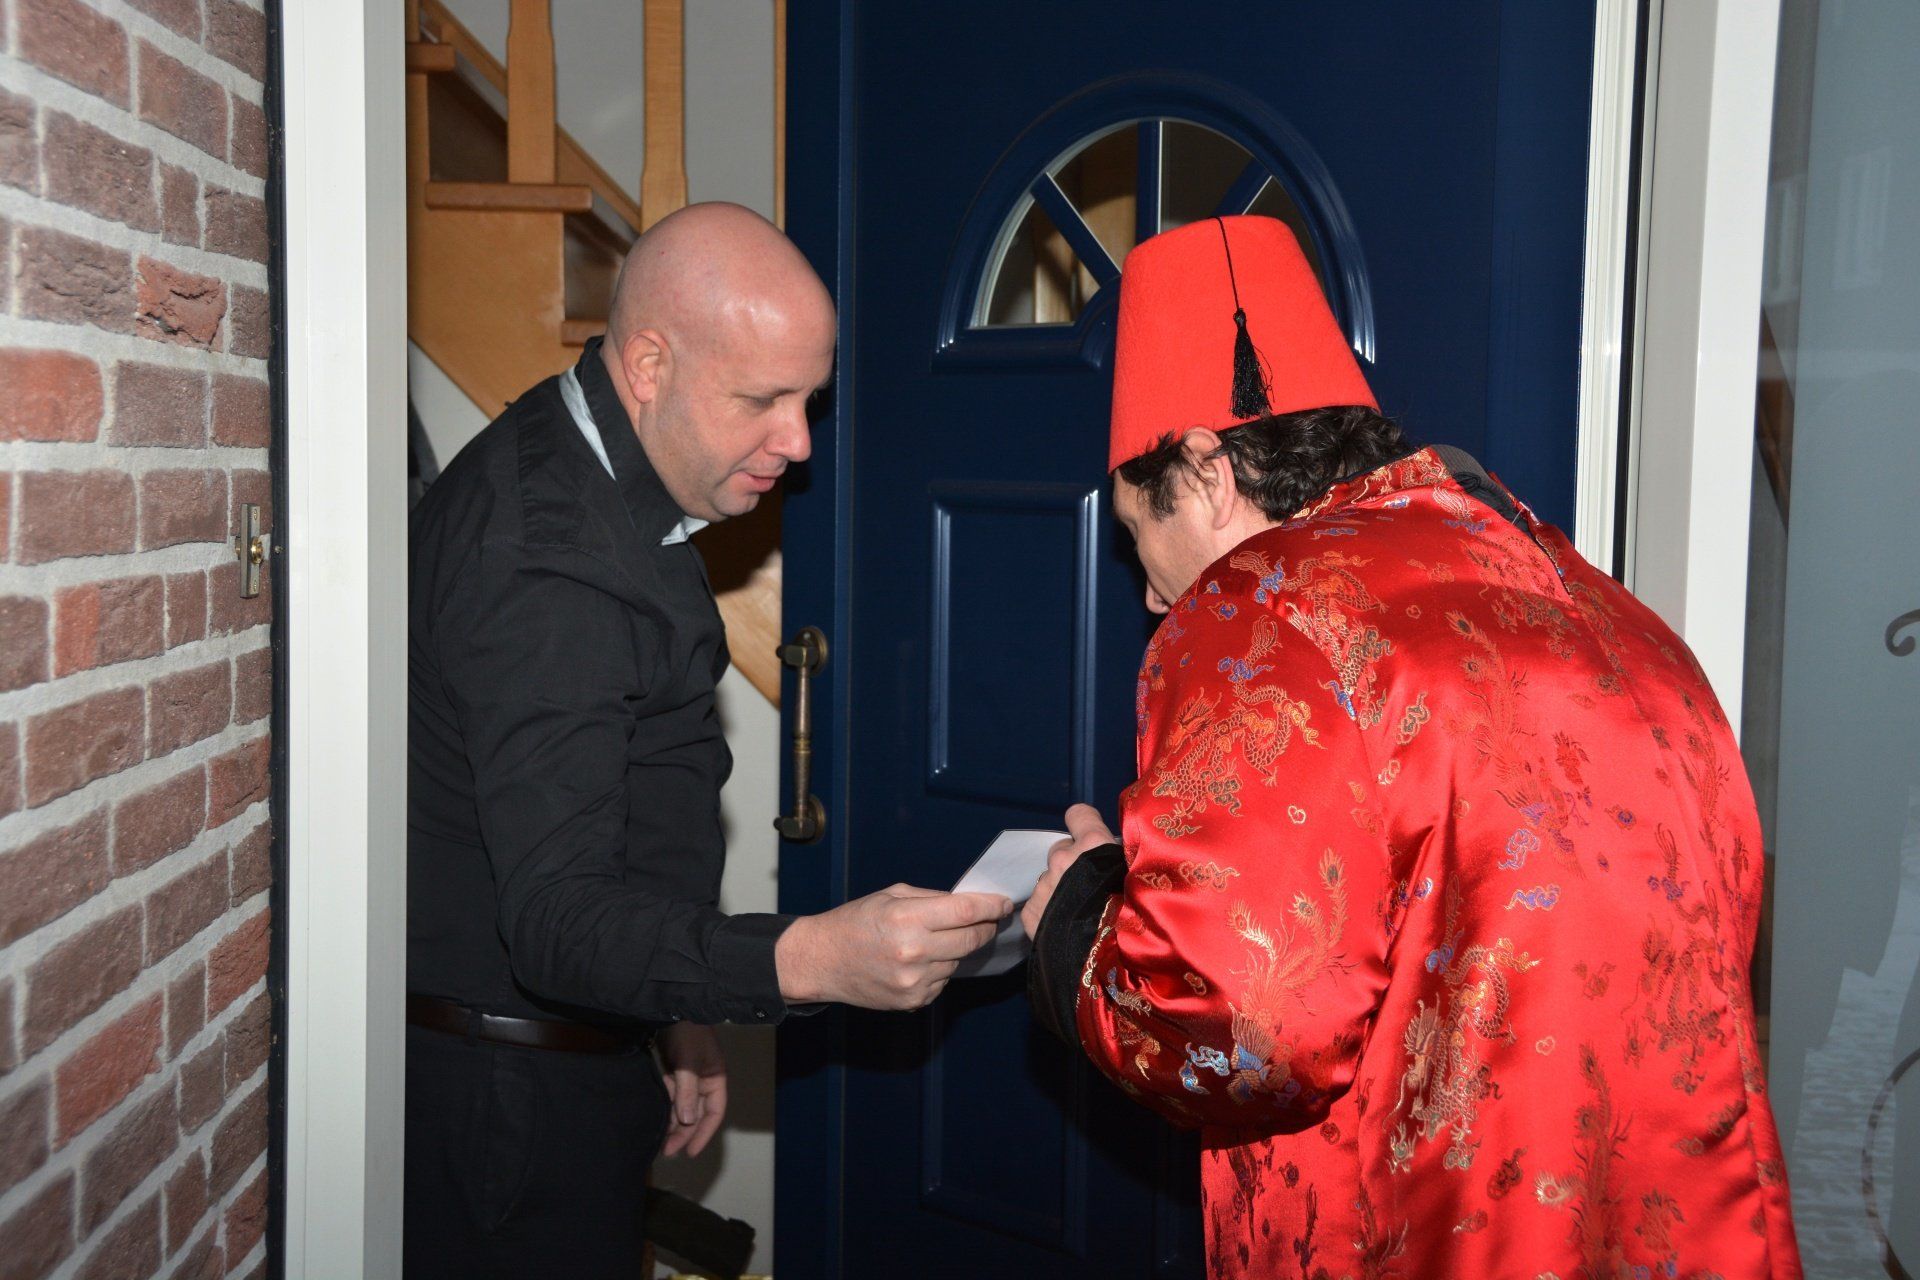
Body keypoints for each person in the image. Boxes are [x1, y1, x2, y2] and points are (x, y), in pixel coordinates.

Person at [1022, 215, 1803, 1278]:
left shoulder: (1261, 607)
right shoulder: (1614, 616)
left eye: (1137, 532)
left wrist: (1080, 920)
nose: (1153, 593)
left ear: (1204, 471)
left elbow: (1246, 1022)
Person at [405, 202, 1011, 1278]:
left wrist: (676, 1010)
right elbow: (556, 922)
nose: (800, 442)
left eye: (809, 399)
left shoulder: (599, 460)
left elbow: (618, 818)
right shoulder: (549, 570)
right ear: (649, 364)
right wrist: (810, 958)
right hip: (510, 1113)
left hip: (565, 1061)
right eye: (762, 400)